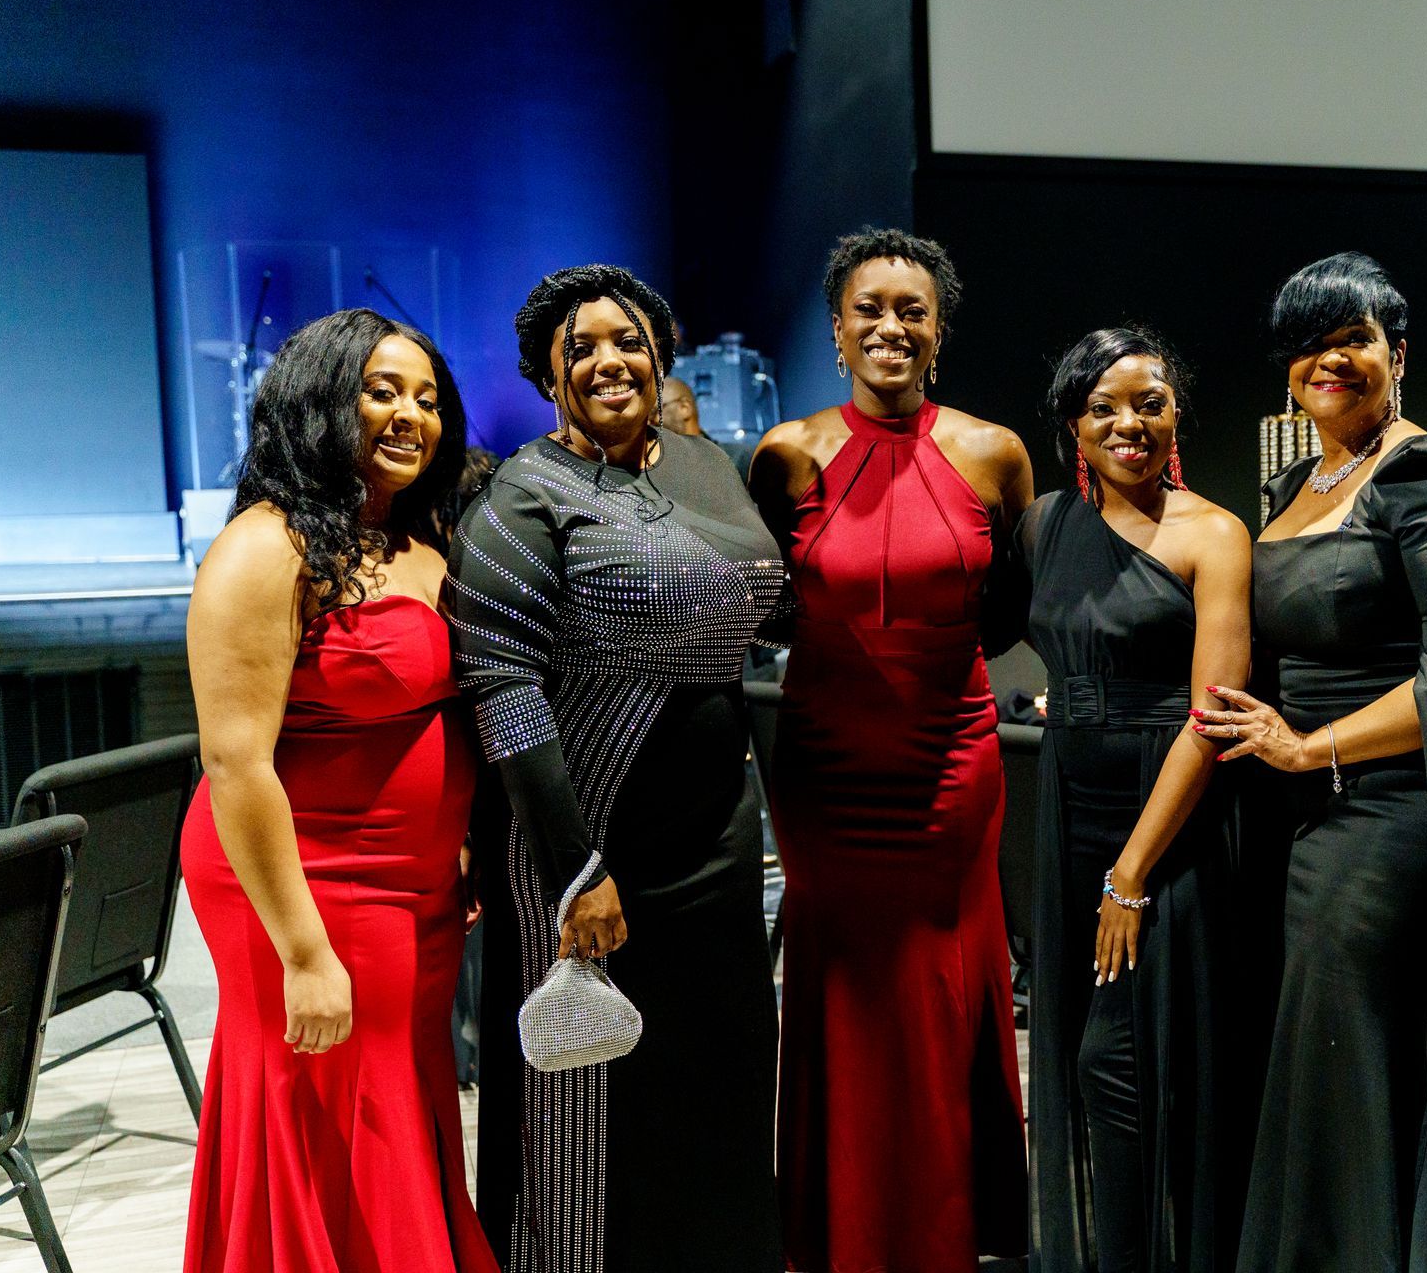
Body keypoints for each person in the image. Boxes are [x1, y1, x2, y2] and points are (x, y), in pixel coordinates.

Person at [1202, 253, 1427, 1270]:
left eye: (1353, 337)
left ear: (1398, 351)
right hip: (1302, 819)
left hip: (1384, 816)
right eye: (1310, 345)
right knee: (1325, 1056)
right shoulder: (1297, 482)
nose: (1330, 361)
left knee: (1349, 1057)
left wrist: (1308, 745)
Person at [448, 264, 786, 1271]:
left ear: (660, 356)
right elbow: (503, 686)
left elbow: (768, 602)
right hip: (595, 844)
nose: (610, 359)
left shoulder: (703, 462)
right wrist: (574, 871)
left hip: (718, 841)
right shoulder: (524, 489)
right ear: (548, 375)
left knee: (716, 1080)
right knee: (584, 1089)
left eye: (628, 340)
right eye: (581, 347)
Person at [180, 308, 496, 1273]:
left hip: (414, 892)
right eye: (382, 391)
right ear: (321, 403)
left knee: (398, 1099)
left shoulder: (419, 538)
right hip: (305, 888)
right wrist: (306, 953)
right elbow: (236, 763)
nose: (410, 416)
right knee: (329, 1109)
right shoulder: (264, 549)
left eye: (427, 399)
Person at [748, 228, 1035, 1272]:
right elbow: (766, 608)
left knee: (941, 984)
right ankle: (842, 1231)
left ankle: (945, 1230)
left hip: (950, 764)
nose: (890, 327)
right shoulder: (785, 454)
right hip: (824, 764)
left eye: (911, 311)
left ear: (938, 332)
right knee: (844, 988)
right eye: (870, 309)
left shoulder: (995, 451)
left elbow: (1008, 611)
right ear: (837, 330)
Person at [1022, 328, 1253, 1271]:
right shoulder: (1043, 524)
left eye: (1150, 403)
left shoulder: (1214, 534)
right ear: (1074, 424)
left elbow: (1213, 718)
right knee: (1083, 1067)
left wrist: (1130, 875)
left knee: (1121, 1070)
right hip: (1066, 813)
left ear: (1176, 414)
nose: (1130, 423)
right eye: (1104, 407)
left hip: (1167, 826)